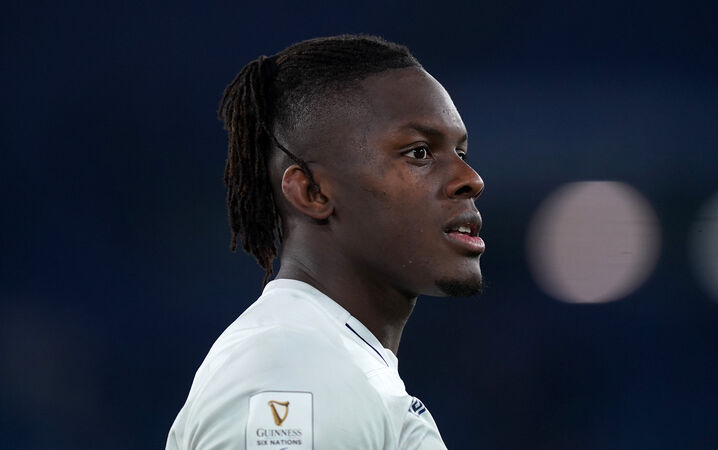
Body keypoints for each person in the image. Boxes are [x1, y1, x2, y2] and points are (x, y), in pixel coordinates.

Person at [166, 34, 485, 450]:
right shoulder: (290, 370)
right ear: (312, 192)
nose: (470, 179)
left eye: (461, 153)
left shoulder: (327, 362)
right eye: (419, 153)